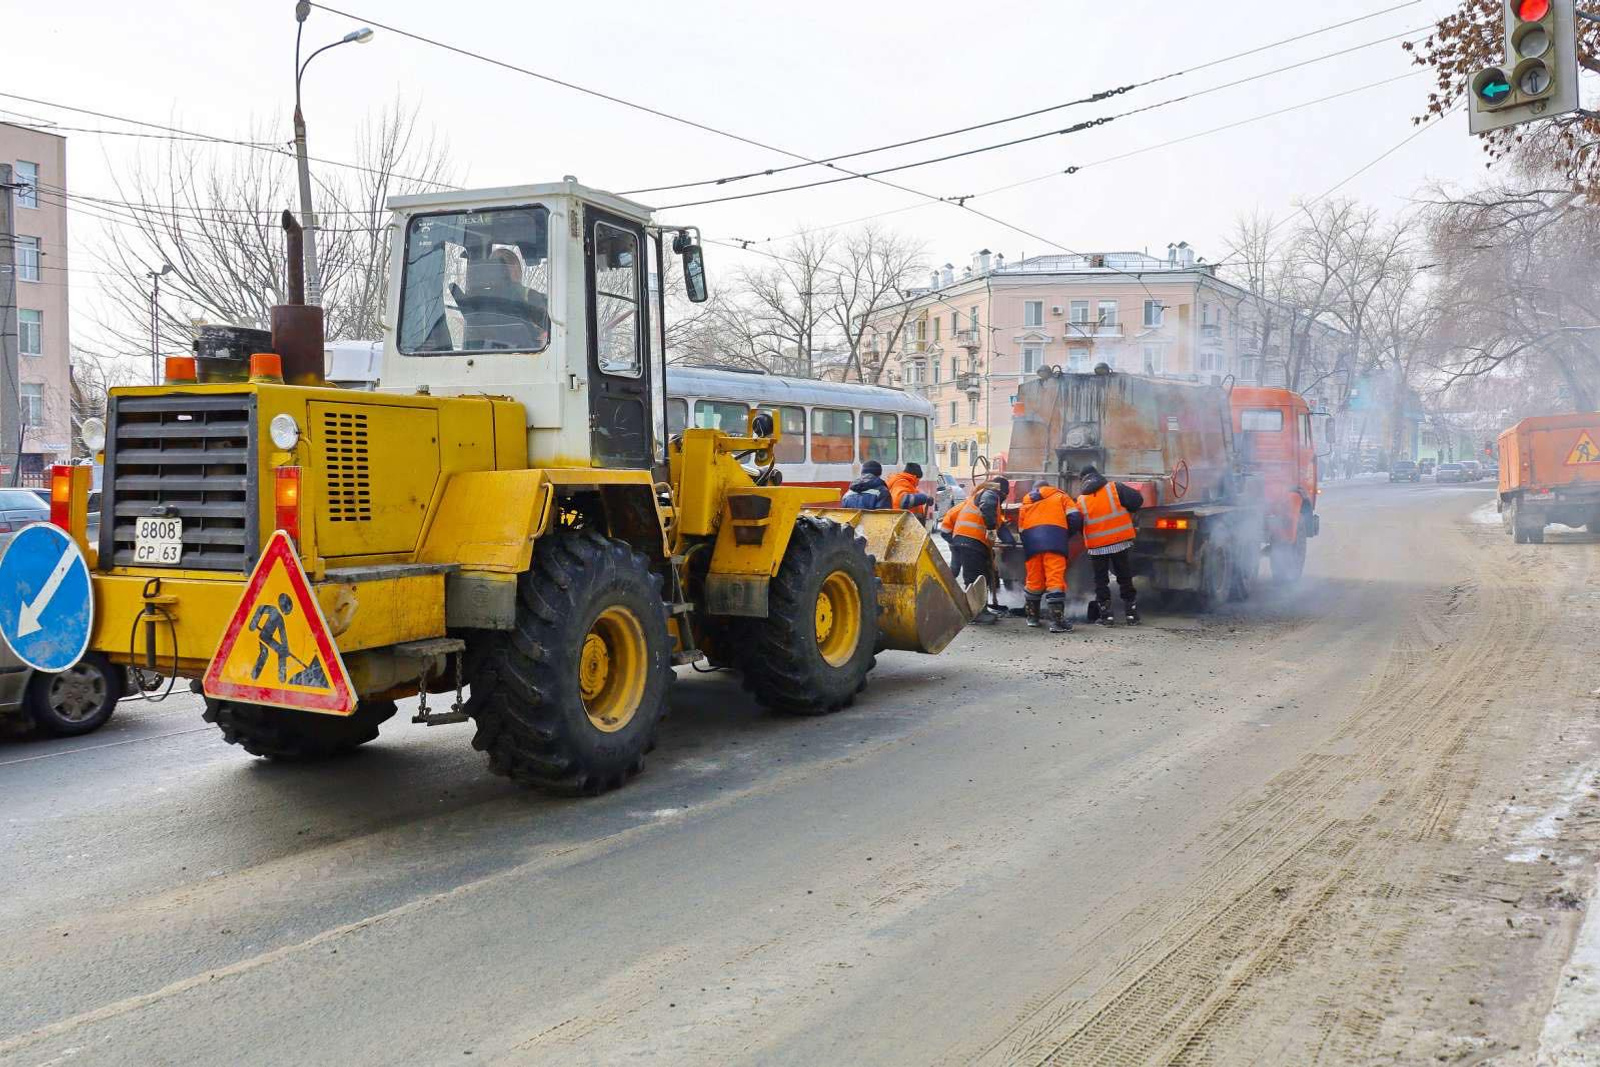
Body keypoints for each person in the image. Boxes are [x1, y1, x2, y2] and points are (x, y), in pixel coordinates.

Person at [1075, 464, 1144, 625]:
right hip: (1120, 542)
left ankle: (1106, 616)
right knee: (1124, 577)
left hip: (1096, 547)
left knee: (1101, 581)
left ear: (1082, 480)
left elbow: (1077, 523)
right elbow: (1137, 500)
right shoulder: (1115, 488)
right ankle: (1131, 614)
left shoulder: (1081, 500)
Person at [940, 477, 1009, 621]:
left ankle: (979, 609)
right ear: (1002, 490)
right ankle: (975, 614)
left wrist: (1010, 541)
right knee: (973, 577)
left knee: (981, 576)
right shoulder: (991, 494)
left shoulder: (982, 495)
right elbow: (987, 506)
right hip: (970, 541)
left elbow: (999, 523)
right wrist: (990, 529)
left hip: (970, 541)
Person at [1017, 483, 1081, 633]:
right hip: (1054, 540)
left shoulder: (1026, 501)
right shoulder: (1061, 497)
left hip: (1031, 543)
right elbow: (1075, 518)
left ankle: (1032, 618)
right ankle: (1057, 622)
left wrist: (1030, 540)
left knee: (1034, 580)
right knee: (1054, 579)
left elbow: (1021, 528)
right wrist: (1064, 534)